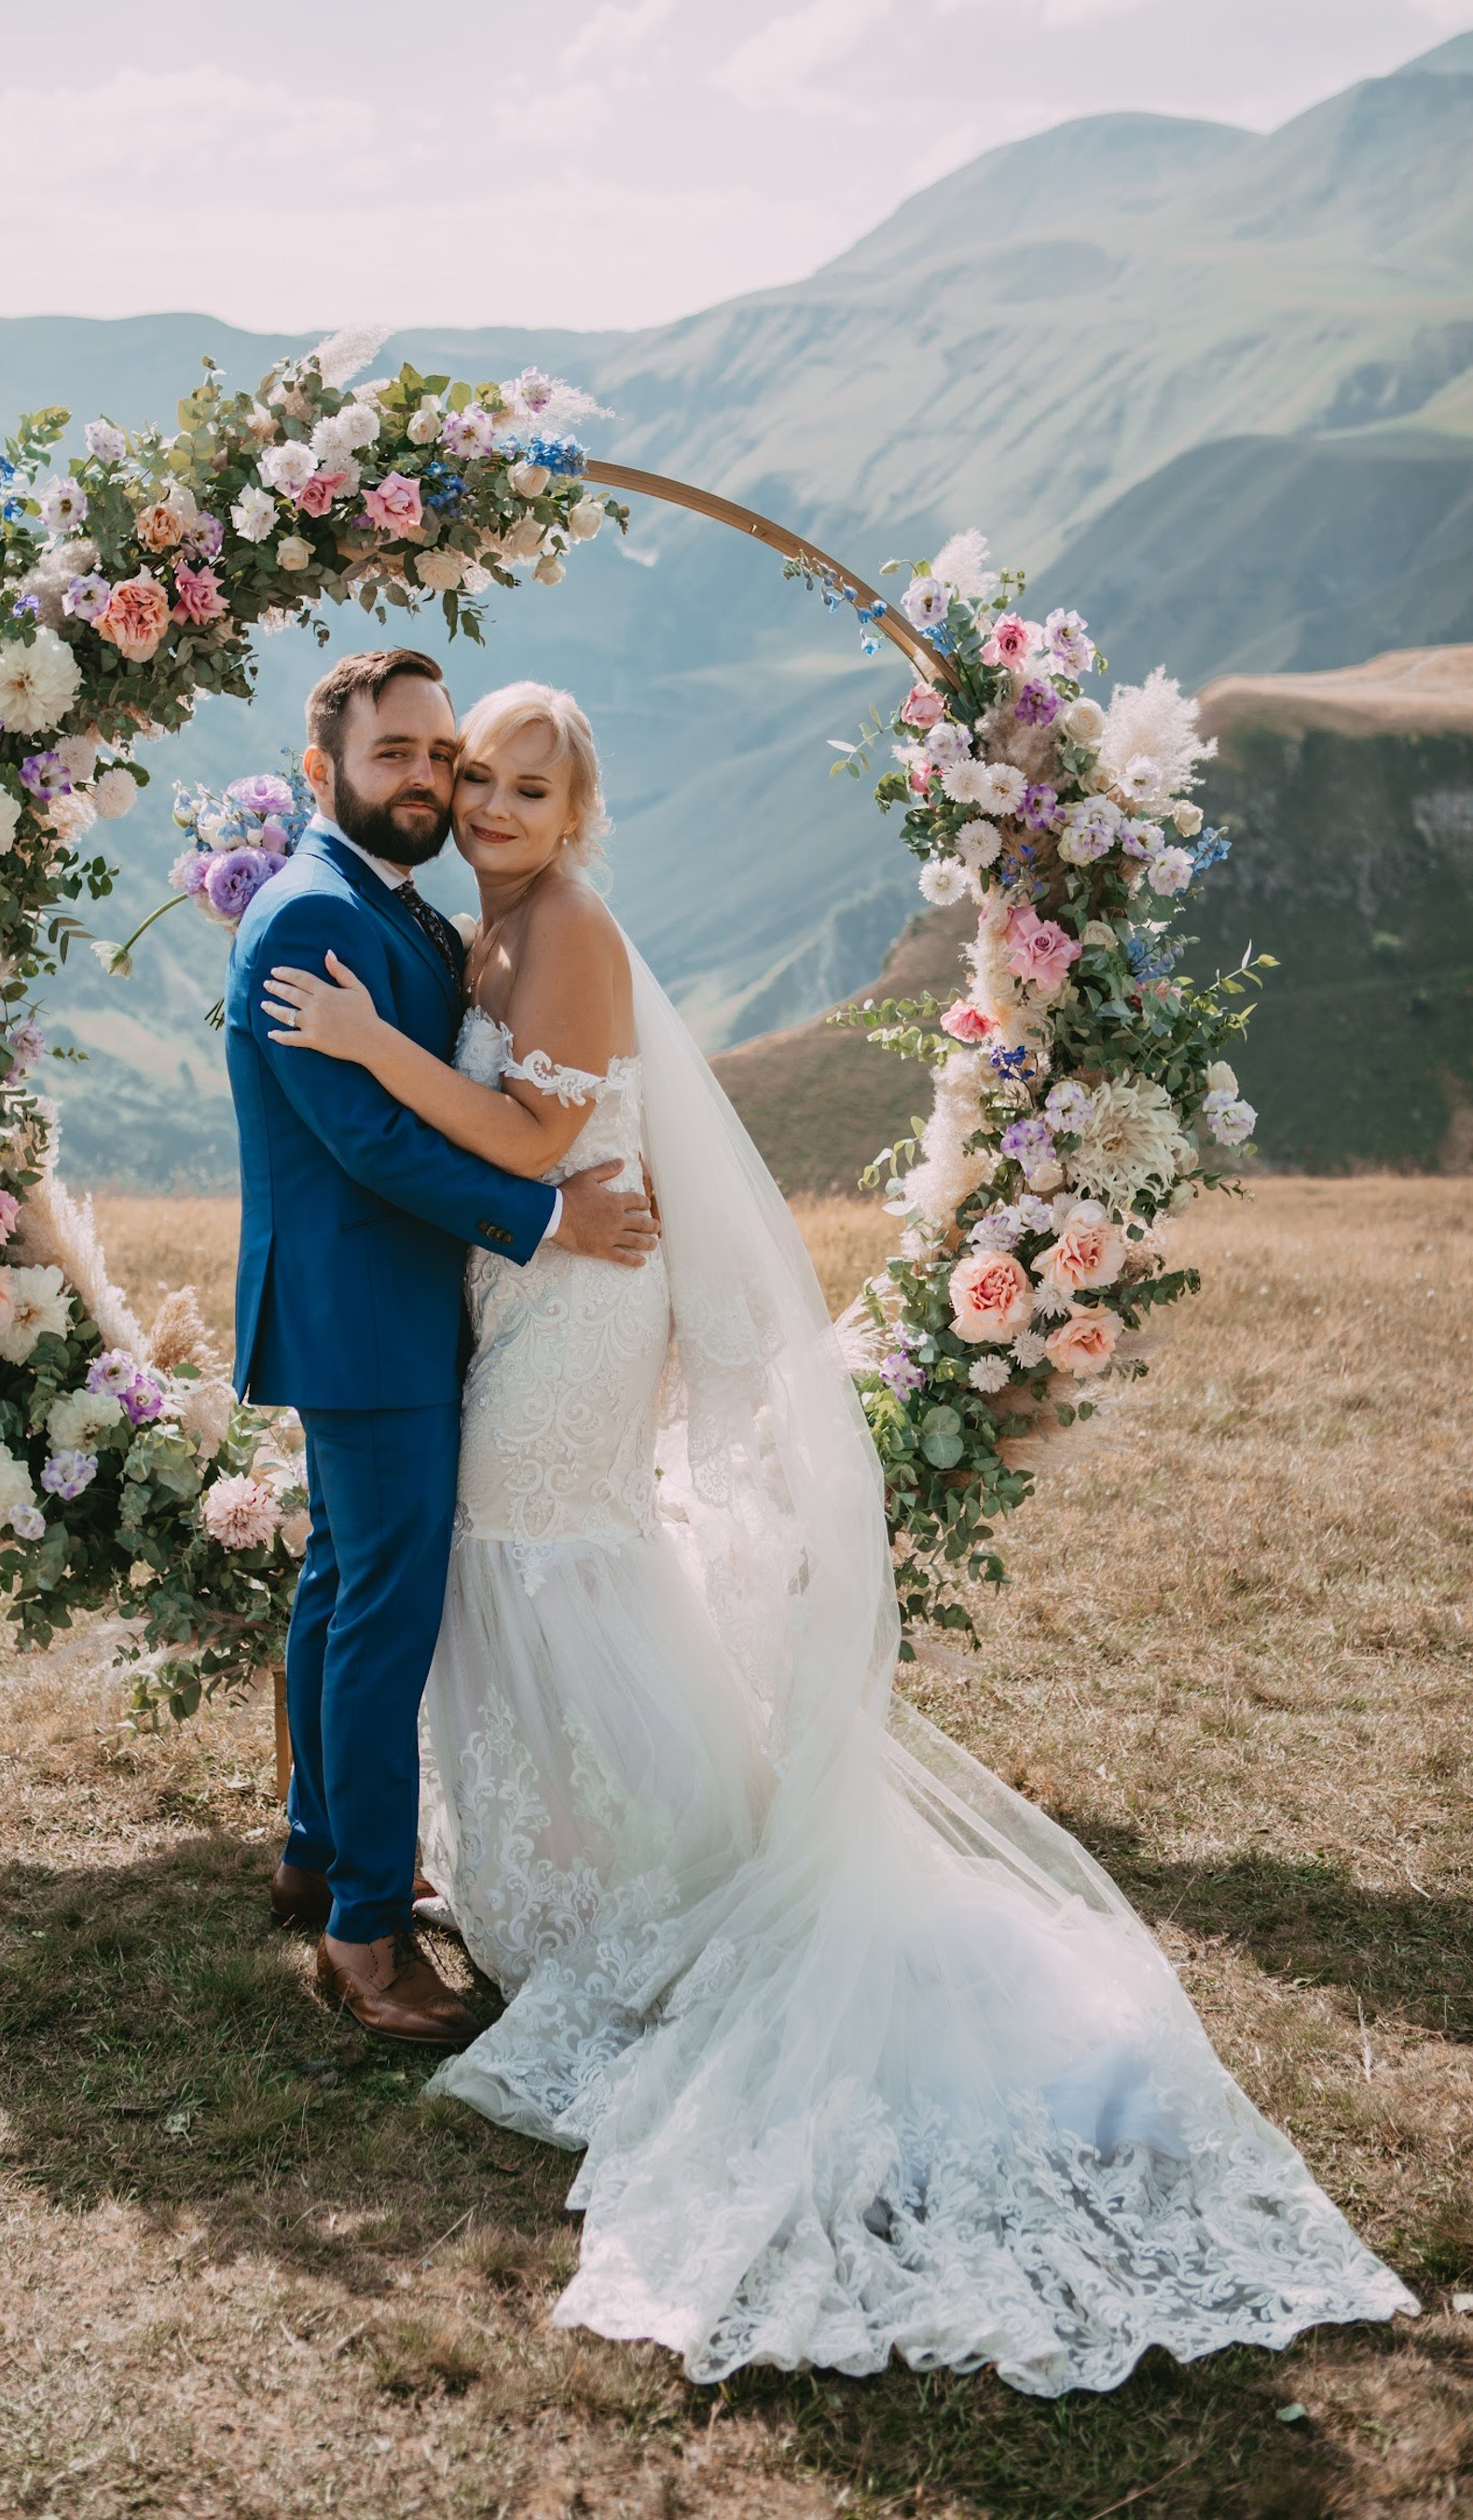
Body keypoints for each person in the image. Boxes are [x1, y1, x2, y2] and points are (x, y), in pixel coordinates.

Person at [259, 675, 1415, 2397]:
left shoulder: (558, 925)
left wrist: (370, 1050)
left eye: (517, 783)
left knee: (542, 1562)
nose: (482, 801)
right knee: (509, 1575)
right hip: (520, 1298)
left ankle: (648, 1889)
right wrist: (414, 1055)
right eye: (463, 773)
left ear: (573, 814)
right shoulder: (469, 933)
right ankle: (550, 1872)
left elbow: (541, 1137)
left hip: (576, 1310)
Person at [223, 648, 659, 2050]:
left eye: (438, 753)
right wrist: (547, 1219)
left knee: (347, 1580)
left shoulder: (395, 904)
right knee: (385, 1613)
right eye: (397, 754)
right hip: (368, 1321)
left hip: (399, 1311)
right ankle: (366, 1930)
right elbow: (368, 1138)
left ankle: (314, 1850)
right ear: (323, 771)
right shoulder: (309, 921)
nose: (426, 779)